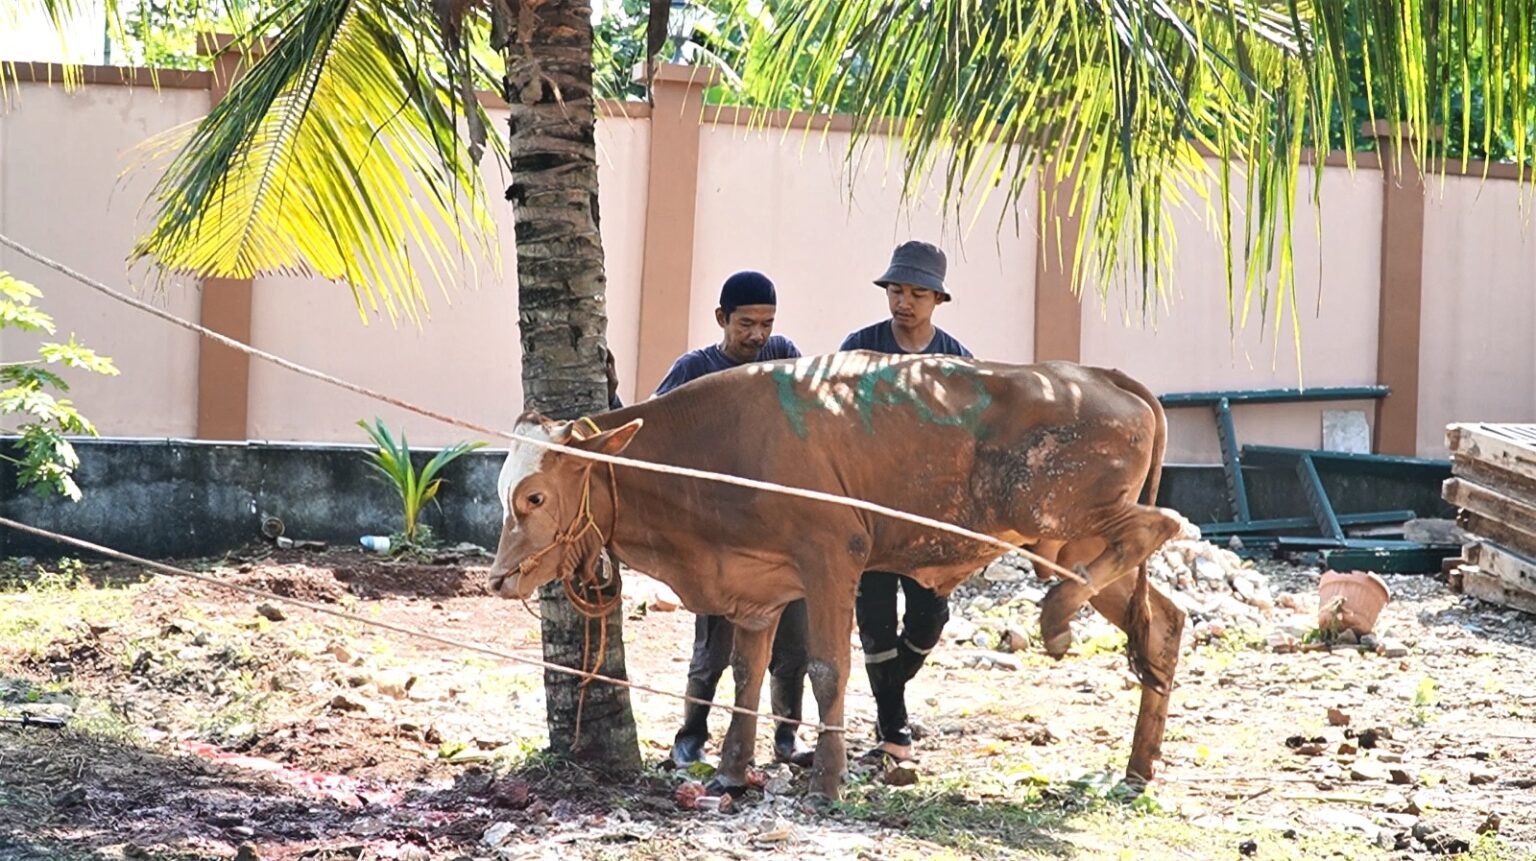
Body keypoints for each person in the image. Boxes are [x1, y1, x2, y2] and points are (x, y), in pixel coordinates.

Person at [655, 270, 816, 769]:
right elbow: (655, 429)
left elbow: (812, 416)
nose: (757, 335)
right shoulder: (694, 368)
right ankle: (692, 737)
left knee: (794, 641)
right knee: (715, 643)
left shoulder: (782, 355)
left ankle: (787, 739)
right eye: (746, 323)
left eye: (765, 323)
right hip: (718, 531)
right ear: (722, 318)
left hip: (783, 529)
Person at [838, 240, 973, 765]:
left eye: (917, 293)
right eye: (896, 290)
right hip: (870, 508)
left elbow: (971, 438)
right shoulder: (859, 345)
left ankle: (888, 695)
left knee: (927, 619)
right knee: (873, 619)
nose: (904, 302)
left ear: (938, 299)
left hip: (932, 516)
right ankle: (895, 733)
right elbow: (835, 417)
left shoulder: (957, 359)